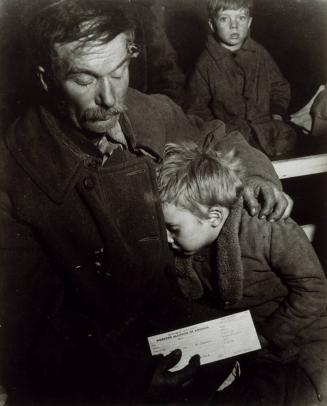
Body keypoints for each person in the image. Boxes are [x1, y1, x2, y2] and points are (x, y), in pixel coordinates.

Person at [0, 0, 292, 403]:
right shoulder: (11, 171)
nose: (108, 97)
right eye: (84, 80)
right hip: (101, 364)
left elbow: (214, 137)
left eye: (119, 71)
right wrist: (123, 383)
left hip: (179, 321)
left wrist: (257, 177)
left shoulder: (147, 109)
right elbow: (23, 336)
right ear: (46, 78)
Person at [157, 139, 327, 405]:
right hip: (244, 343)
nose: (166, 238)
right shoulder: (189, 245)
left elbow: (315, 289)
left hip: (299, 336)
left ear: (213, 217)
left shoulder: (266, 227)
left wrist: (267, 336)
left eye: (173, 228)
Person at [184, 0, 298, 158]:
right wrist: (217, 132)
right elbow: (196, 109)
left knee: (287, 145)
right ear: (212, 24)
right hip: (229, 138)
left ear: (249, 22)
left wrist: (277, 113)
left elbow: (280, 86)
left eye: (241, 18)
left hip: (268, 131)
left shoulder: (259, 54)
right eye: (225, 19)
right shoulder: (205, 64)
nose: (234, 26)